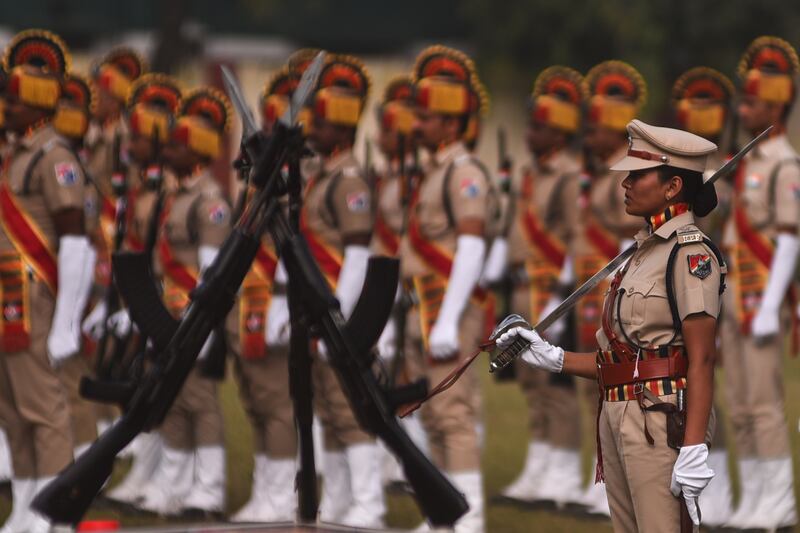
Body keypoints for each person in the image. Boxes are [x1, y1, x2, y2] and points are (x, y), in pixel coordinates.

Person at [498, 119, 723, 532]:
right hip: (617, 413)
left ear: (673, 188)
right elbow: (618, 358)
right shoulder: (640, 253)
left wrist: (693, 447)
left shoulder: (691, 256)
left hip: (659, 421)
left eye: (637, 176)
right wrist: (553, 357)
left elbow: (702, 359)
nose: (626, 184)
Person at [0, 29, 95, 533]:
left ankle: (54, 514)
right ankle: (24, 507)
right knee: (12, 412)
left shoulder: (55, 158)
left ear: (35, 103)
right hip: (5, 296)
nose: (5, 107)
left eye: (12, 101)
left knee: (44, 410)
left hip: (35, 297)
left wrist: (66, 323)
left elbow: (76, 244)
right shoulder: (15, 152)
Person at [401, 45, 496, 533]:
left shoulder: (465, 173)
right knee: (433, 416)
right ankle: (444, 515)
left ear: (452, 123)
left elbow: (472, 246)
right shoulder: (434, 170)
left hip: (449, 309)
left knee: (453, 413)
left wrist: (448, 316)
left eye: (428, 116)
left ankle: (470, 517)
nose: (418, 122)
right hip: (425, 307)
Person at [135, 87, 232, 518]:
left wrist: (205, 328)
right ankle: (173, 485)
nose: (167, 149)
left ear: (197, 151)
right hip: (168, 315)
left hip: (192, 317)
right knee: (170, 399)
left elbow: (212, 270)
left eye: (177, 143)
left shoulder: (209, 202)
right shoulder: (177, 196)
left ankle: (209, 489)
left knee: (200, 402)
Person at [493, 66, 585, 510]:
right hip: (521, 287)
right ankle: (541, 464)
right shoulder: (530, 174)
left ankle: (564, 471)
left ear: (561, 131)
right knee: (531, 382)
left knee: (557, 386)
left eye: (540, 126)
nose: (530, 132)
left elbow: (576, 237)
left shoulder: (570, 175)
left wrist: (560, 297)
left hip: (552, 288)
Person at [302, 53, 385, 529]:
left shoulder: (349, 179)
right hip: (321, 306)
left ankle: (368, 503)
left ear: (342, 128)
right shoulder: (324, 175)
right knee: (330, 409)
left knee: (349, 408)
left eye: (323, 122)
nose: (314, 128)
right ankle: (338, 500)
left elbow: (356, 251)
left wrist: (340, 318)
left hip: (340, 308)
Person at [721, 36, 800, 531]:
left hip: (761, 298)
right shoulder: (749, 159)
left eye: (750, 101)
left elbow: (791, 239)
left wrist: (773, 305)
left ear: (774, 105)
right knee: (741, 403)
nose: (741, 108)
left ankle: (781, 501)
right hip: (736, 296)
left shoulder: (785, 164)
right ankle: (753, 498)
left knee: (765, 404)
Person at [98, 72, 183, 508]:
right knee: (141, 381)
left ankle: (165, 478)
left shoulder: (166, 187)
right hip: (139, 293)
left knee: (161, 385)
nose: (130, 142)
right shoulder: (137, 183)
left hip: (163, 297)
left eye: (139, 136)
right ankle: (147, 473)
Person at [573, 60, 647, 516]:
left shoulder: (631, 173)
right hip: (597, 288)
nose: (589, 134)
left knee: (619, 381)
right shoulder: (598, 170)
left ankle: (618, 473)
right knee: (592, 382)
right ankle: (600, 472)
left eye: (597, 127)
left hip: (623, 288)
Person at [228, 65, 298, 524]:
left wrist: (285, 304)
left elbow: (307, 249)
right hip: (249, 301)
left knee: (276, 403)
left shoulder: (295, 185)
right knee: (255, 399)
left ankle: (281, 494)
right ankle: (266, 489)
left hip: (277, 298)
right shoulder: (259, 185)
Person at [670, 65, 736, 528]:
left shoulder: (722, 175)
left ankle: (723, 492)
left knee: (711, 390)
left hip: (712, 282)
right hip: (684, 285)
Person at [85, 47, 147, 436]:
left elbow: (130, 194)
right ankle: (104, 417)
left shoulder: (125, 136)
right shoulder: (101, 134)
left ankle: (121, 417)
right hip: (100, 236)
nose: (95, 98)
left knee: (116, 333)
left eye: (101, 92)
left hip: (117, 240)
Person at [51, 73, 101, 459]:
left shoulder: (69, 170)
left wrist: (75, 308)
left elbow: (81, 239)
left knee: (71, 376)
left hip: (70, 283)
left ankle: (87, 458)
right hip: (49, 279)